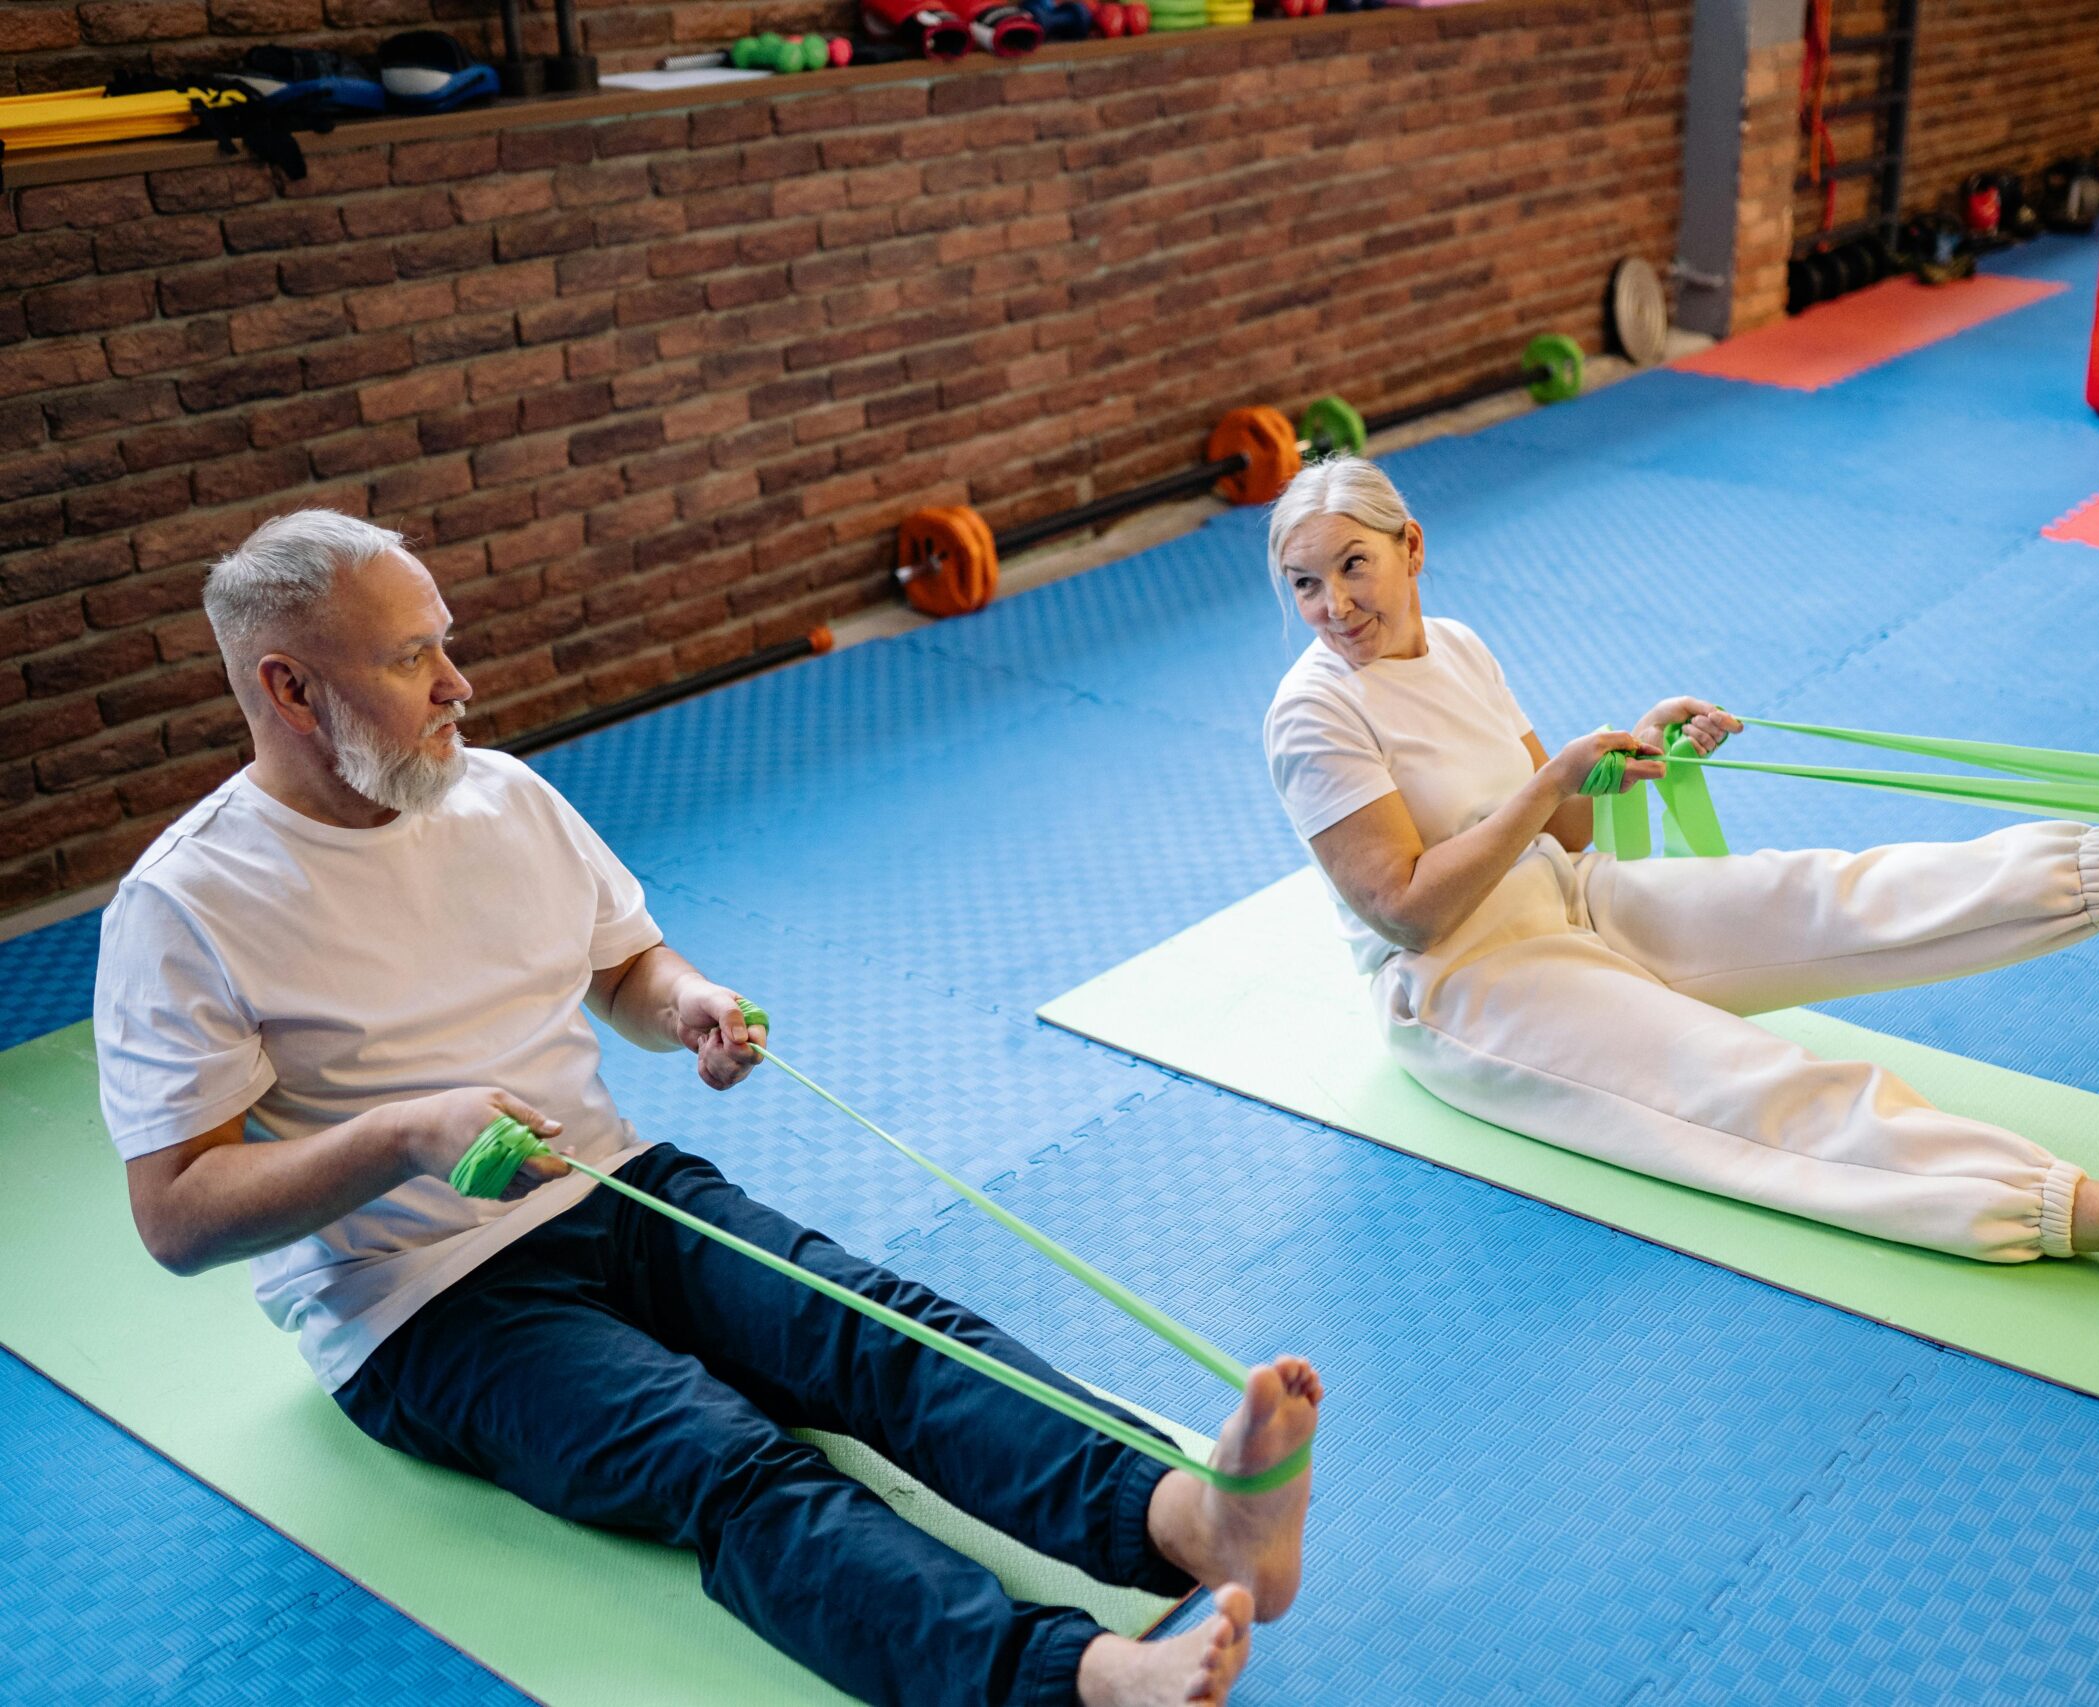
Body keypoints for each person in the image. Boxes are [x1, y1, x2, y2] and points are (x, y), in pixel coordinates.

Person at [95, 510, 1319, 1707]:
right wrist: (407, 1135)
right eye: (411, 657)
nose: (457, 683)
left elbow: (625, 966)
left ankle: (1187, 1519)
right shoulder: (185, 905)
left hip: (612, 1185)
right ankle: (1078, 1681)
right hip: (420, 1305)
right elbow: (177, 1215)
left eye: (445, 640)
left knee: (874, 1330)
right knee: (724, 1463)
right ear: (291, 690)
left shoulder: (501, 796)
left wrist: (685, 1001)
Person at [1259, 458, 2099, 1289]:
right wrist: (1548, 793)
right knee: (1754, 1081)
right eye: (1303, 584)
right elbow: (1402, 912)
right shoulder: (1312, 712)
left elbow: (1571, 831)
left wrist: (1631, 750)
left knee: (1827, 891)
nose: (1332, 605)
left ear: (1410, 548)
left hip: (1562, 897)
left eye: (1352, 566)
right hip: (1463, 986)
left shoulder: (1454, 643)